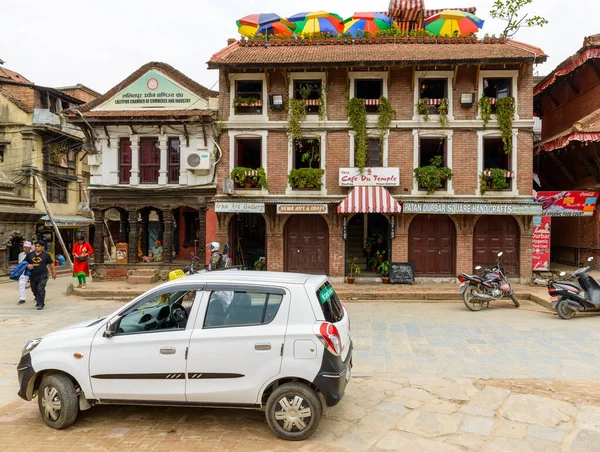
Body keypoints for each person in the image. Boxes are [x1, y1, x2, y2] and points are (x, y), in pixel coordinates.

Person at [25, 240, 56, 310]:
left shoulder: (46, 255)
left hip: (43, 275)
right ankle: (38, 300)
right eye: (36, 246)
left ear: (42, 247)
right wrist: (28, 265)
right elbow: (24, 262)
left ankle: (41, 304)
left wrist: (53, 272)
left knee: (40, 288)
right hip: (32, 275)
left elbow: (51, 263)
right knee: (34, 289)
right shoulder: (30, 255)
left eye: (39, 246)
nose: (37, 248)